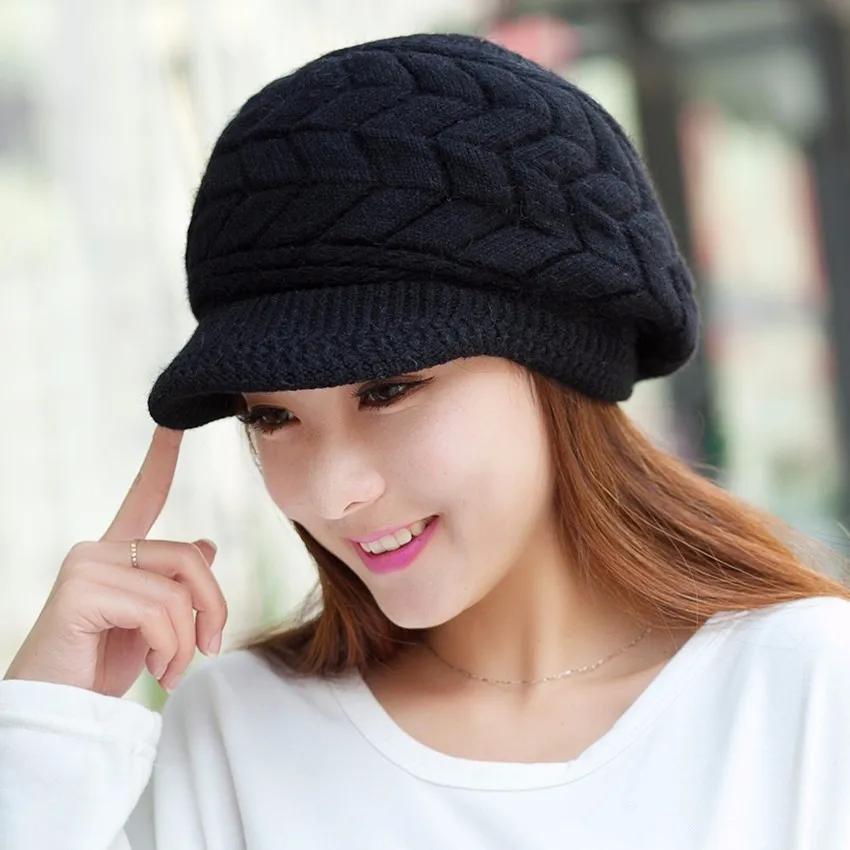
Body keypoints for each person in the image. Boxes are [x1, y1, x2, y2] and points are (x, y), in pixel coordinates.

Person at [2, 32, 849, 850]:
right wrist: (39, 736)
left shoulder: (806, 693)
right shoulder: (234, 736)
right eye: (273, 417)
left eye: (389, 391)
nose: (332, 491)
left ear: (555, 365)